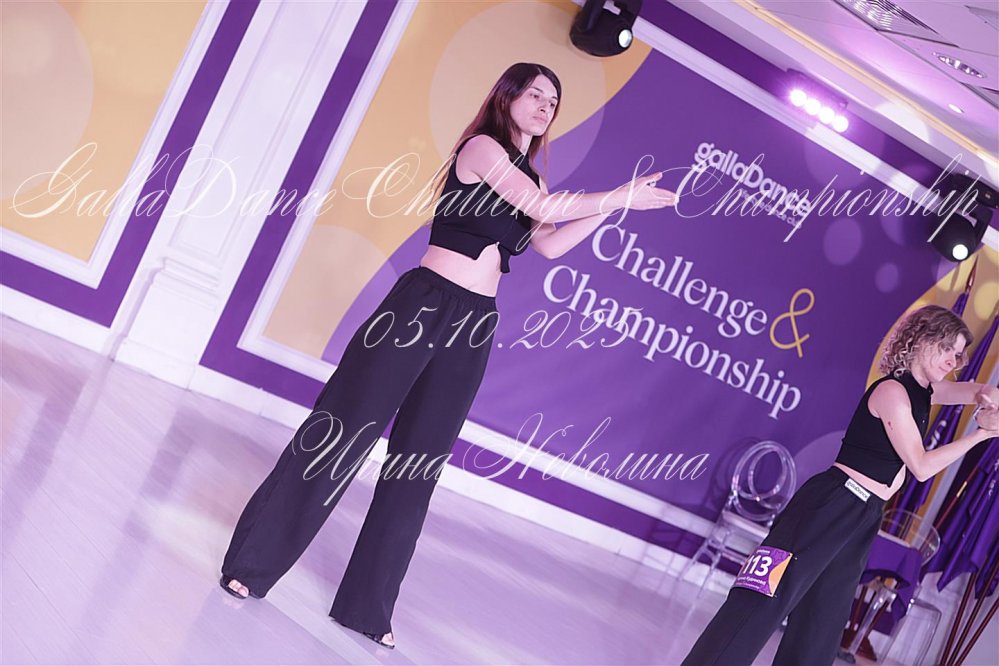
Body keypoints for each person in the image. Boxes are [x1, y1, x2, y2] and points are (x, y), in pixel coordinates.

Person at [219, 62, 677, 649]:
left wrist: (616, 207)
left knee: (418, 465)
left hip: (474, 324)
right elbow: (542, 210)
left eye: (553, 101)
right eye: (536, 94)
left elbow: (551, 244)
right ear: (507, 97)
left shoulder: (530, 177)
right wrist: (621, 193)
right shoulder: (482, 148)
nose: (545, 106)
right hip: (421, 306)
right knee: (342, 434)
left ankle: (366, 608)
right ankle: (252, 565)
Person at [682, 304, 999, 665]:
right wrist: (981, 435)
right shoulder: (893, 392)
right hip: (831, 503)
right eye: (947, 349)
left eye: (959, 355)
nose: (954, 361)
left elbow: (979, 391)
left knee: (822, 623)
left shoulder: (924, 391)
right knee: (762, 600)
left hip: (865, 514)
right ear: (923, 339)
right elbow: (921, 466)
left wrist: (988, 399)